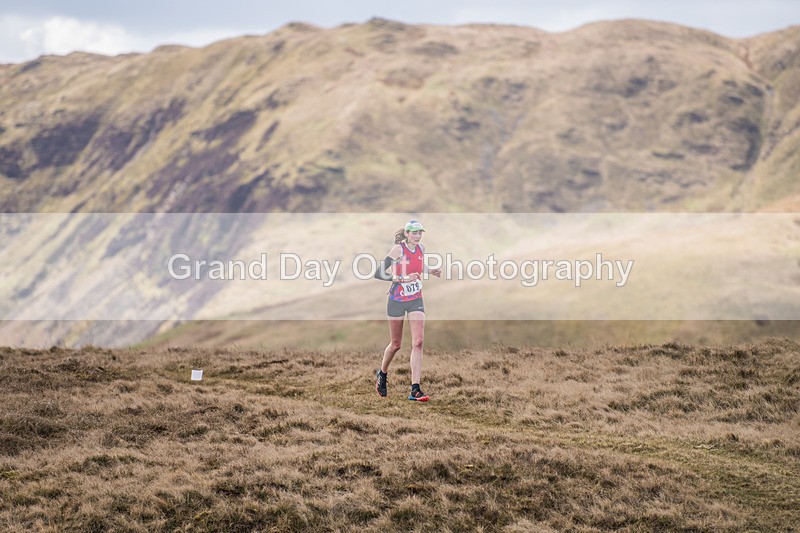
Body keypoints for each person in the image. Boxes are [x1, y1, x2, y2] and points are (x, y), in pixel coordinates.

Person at [373, 219, 441, 401]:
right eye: (414, 233)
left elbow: (417, 266)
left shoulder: (422, 249)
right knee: (396, 344)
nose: (418, 236)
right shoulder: (398, 250)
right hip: (396, 300)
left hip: (415, 299)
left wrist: (430, 270)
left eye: (420, 233)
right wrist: (402, 279)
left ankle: (415, 389)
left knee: (418, 342)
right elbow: (379, 273)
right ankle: (382, 374)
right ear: (407, 234)